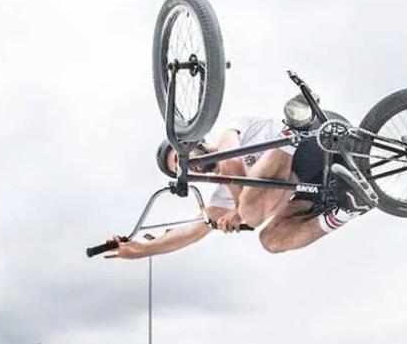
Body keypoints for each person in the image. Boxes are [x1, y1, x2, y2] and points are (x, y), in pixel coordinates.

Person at [107, 109, 373, 260]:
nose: (186, 167)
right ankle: (346, 210)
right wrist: (142, 250)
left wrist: (239, 211)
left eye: (180, 158)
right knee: (270, 240)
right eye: (177, 168)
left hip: (315, 138)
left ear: (193, 143)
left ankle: (289, 136)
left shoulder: (230, 131)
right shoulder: (221, 198)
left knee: (248, 212)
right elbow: (192, 231)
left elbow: (231, 162)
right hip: (321, 181)